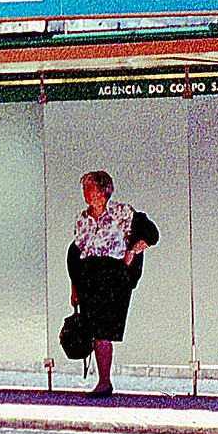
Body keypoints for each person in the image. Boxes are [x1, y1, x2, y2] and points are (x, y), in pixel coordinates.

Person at [68, 170, 158, 399]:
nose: (86, 193)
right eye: (85, 189)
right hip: (88, 275)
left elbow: (152, 234)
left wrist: (132, 253)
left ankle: (104, 381)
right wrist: (74, 287)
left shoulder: (123, 212)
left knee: (104, 329)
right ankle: (103, 382)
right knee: (96, 330)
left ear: (104, 191)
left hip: (112, 275)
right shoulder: (82, 218)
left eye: (90, 188)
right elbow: (75, 252)